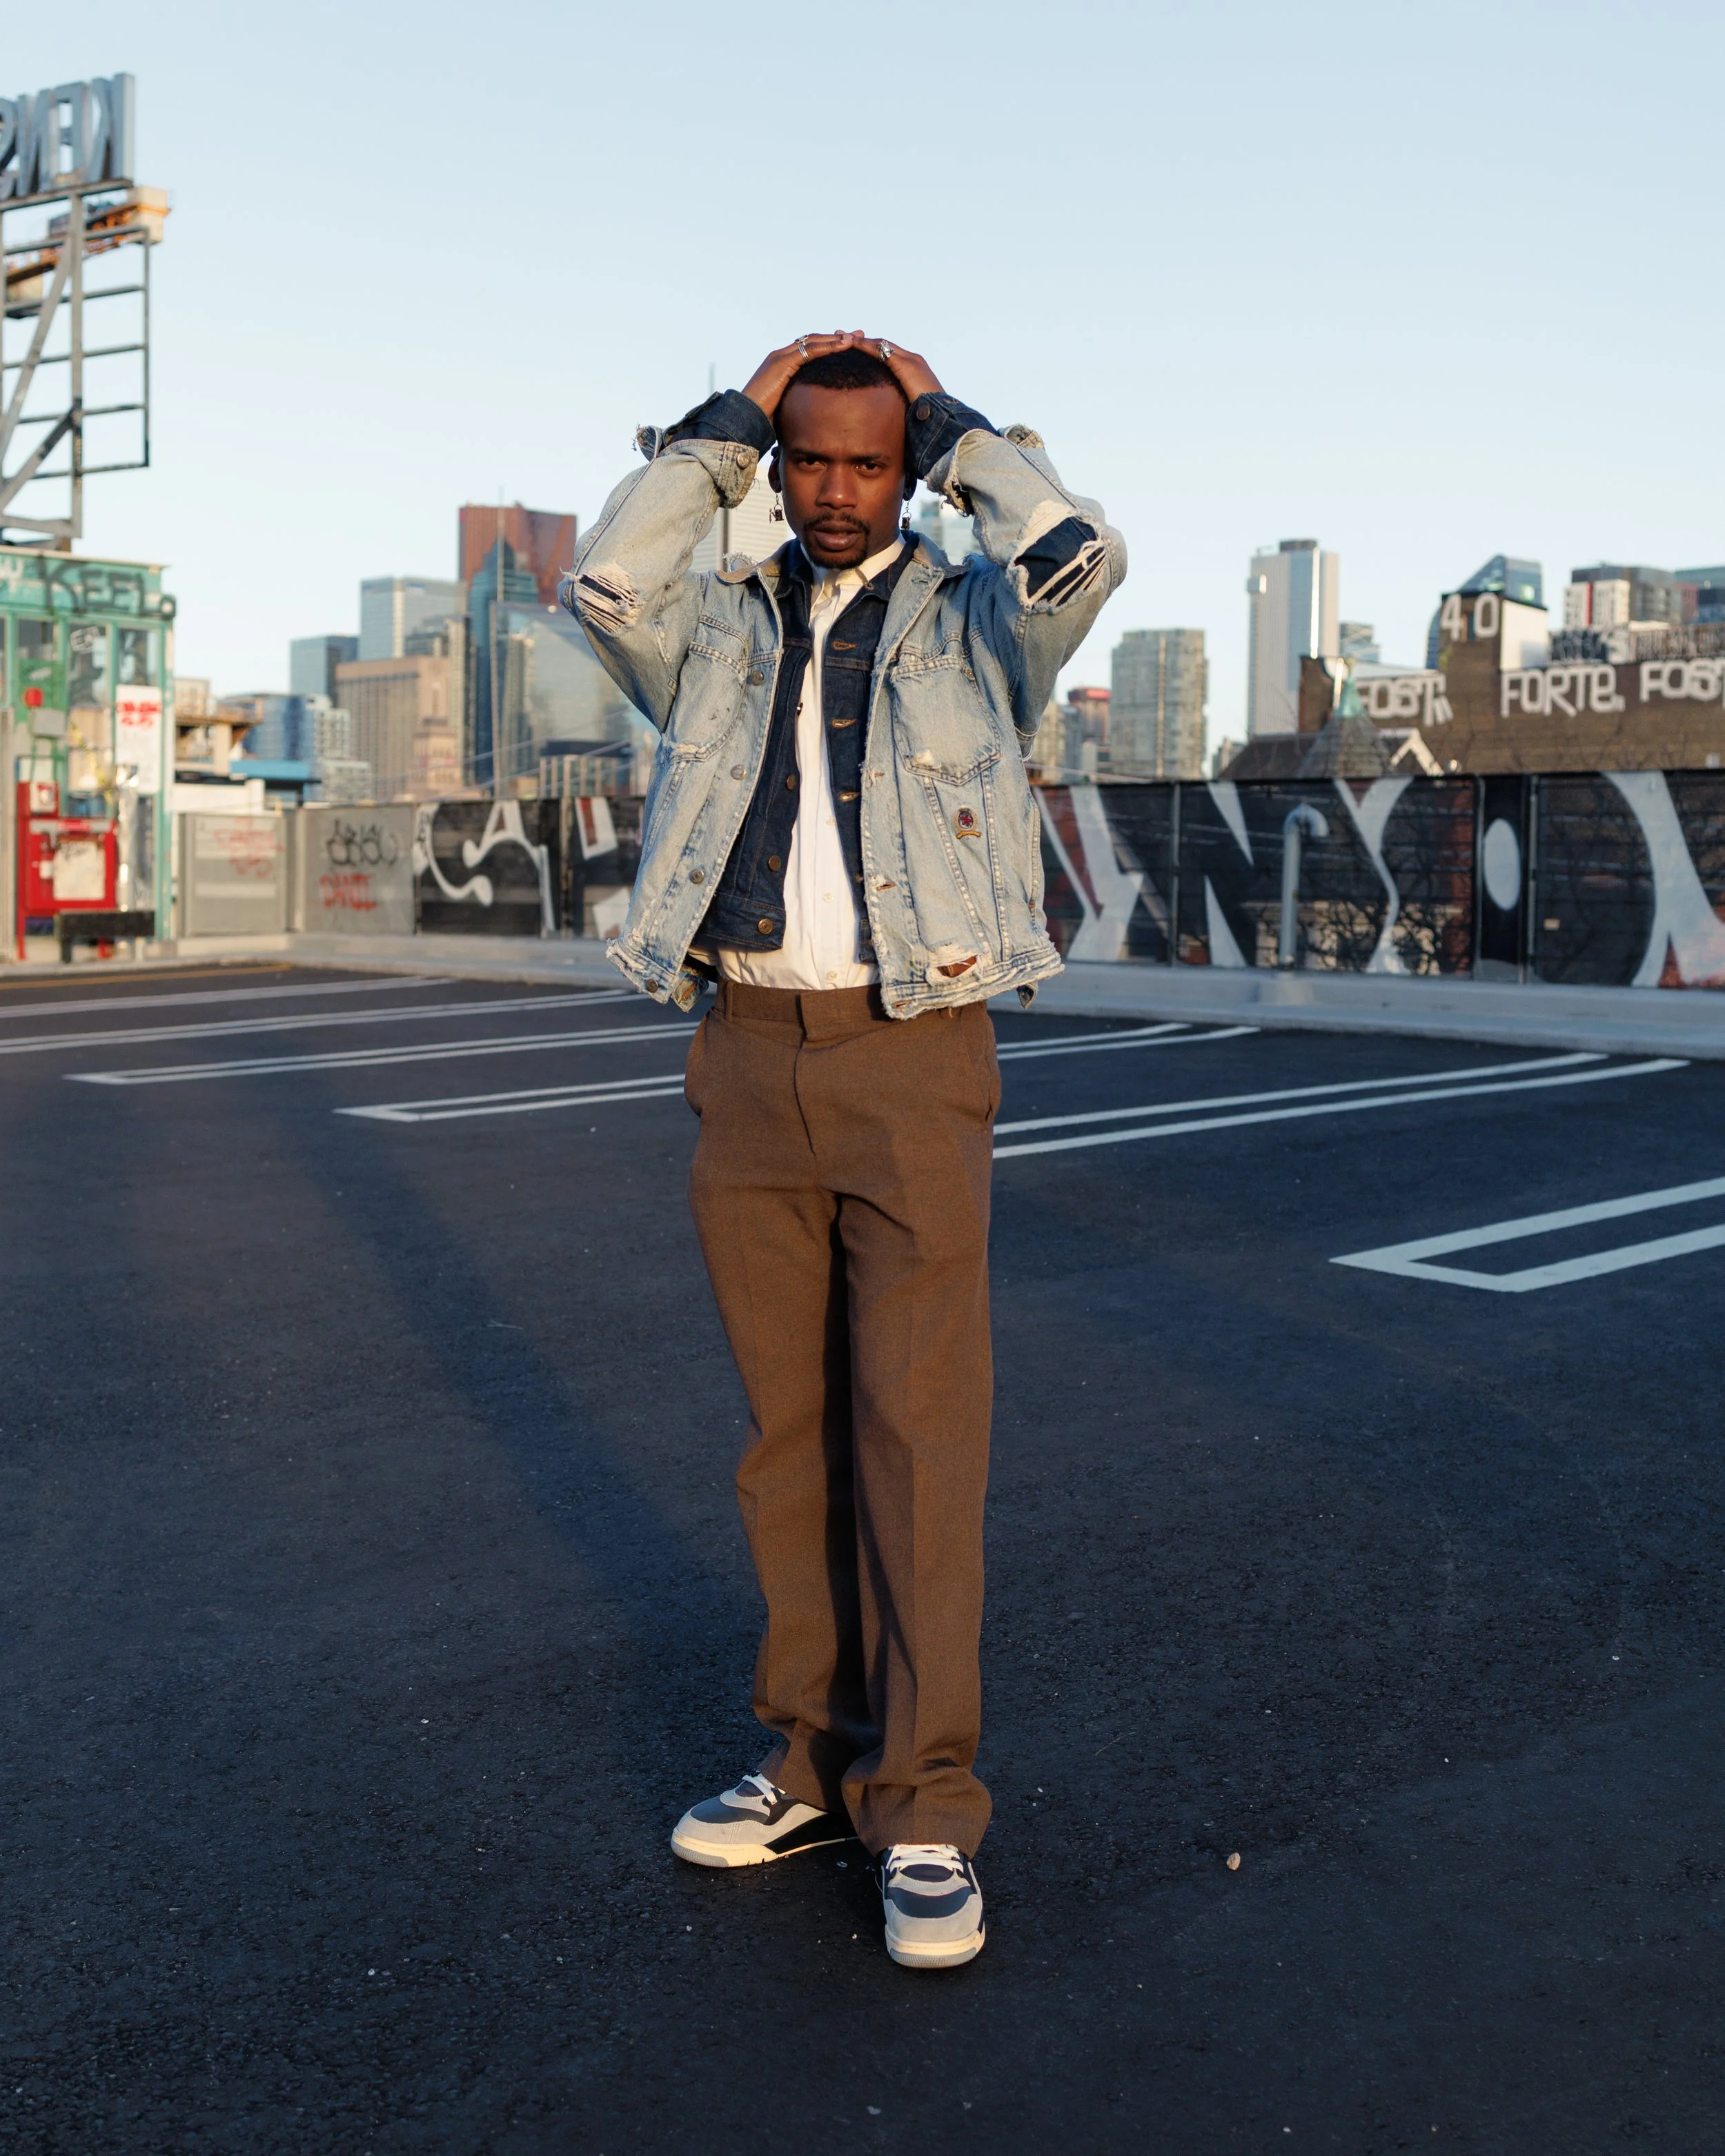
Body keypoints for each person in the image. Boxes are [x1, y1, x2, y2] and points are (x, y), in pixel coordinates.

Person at [562, 332, 1125, 1968]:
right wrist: (723, 425)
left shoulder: (972, 624)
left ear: (905, 469)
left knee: (916, 1439)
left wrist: (962, 434)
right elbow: (605, 579)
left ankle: (927, 1800)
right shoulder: (713, 627)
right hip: (742, 1052)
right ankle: (808, 1760)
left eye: (865, 460)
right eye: (805, 457)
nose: (830, 488)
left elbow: (1078, 551)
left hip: (911, 1056)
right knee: (783, 1437)